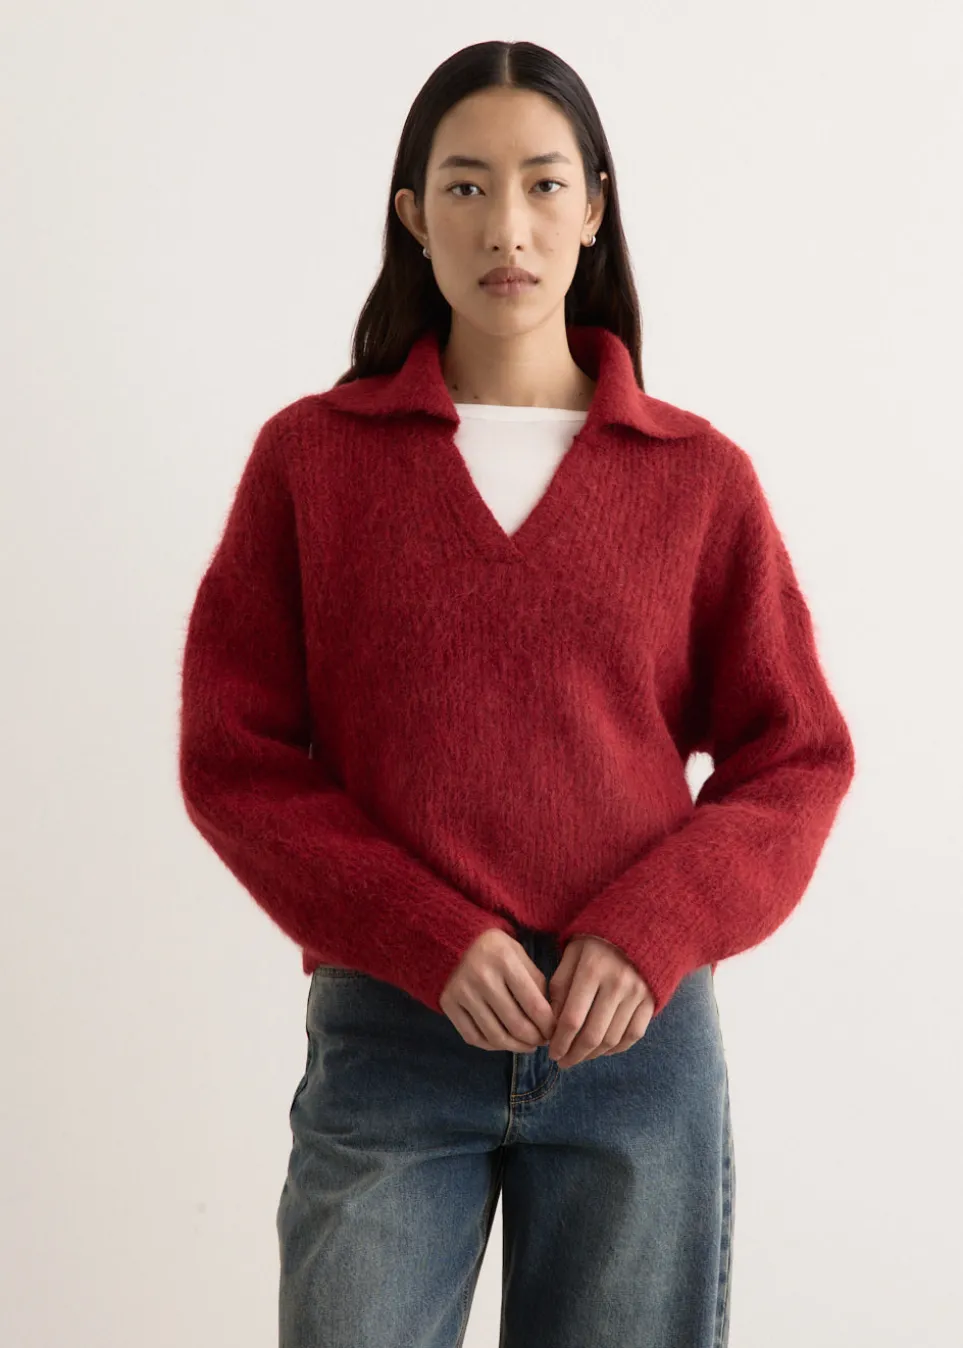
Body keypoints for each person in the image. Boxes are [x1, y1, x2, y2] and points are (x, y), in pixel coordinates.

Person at [177, 39, 856, 1348]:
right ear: (411, 214)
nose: (508, 226)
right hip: (392, 1031)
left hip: (634, 1048)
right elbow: (234, 758)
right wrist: (423, 933)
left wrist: (652, 928)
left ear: (594, 209)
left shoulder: (697, 480)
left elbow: (797, 756)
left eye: (544, 185)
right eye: (466, 186)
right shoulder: (314, 462)